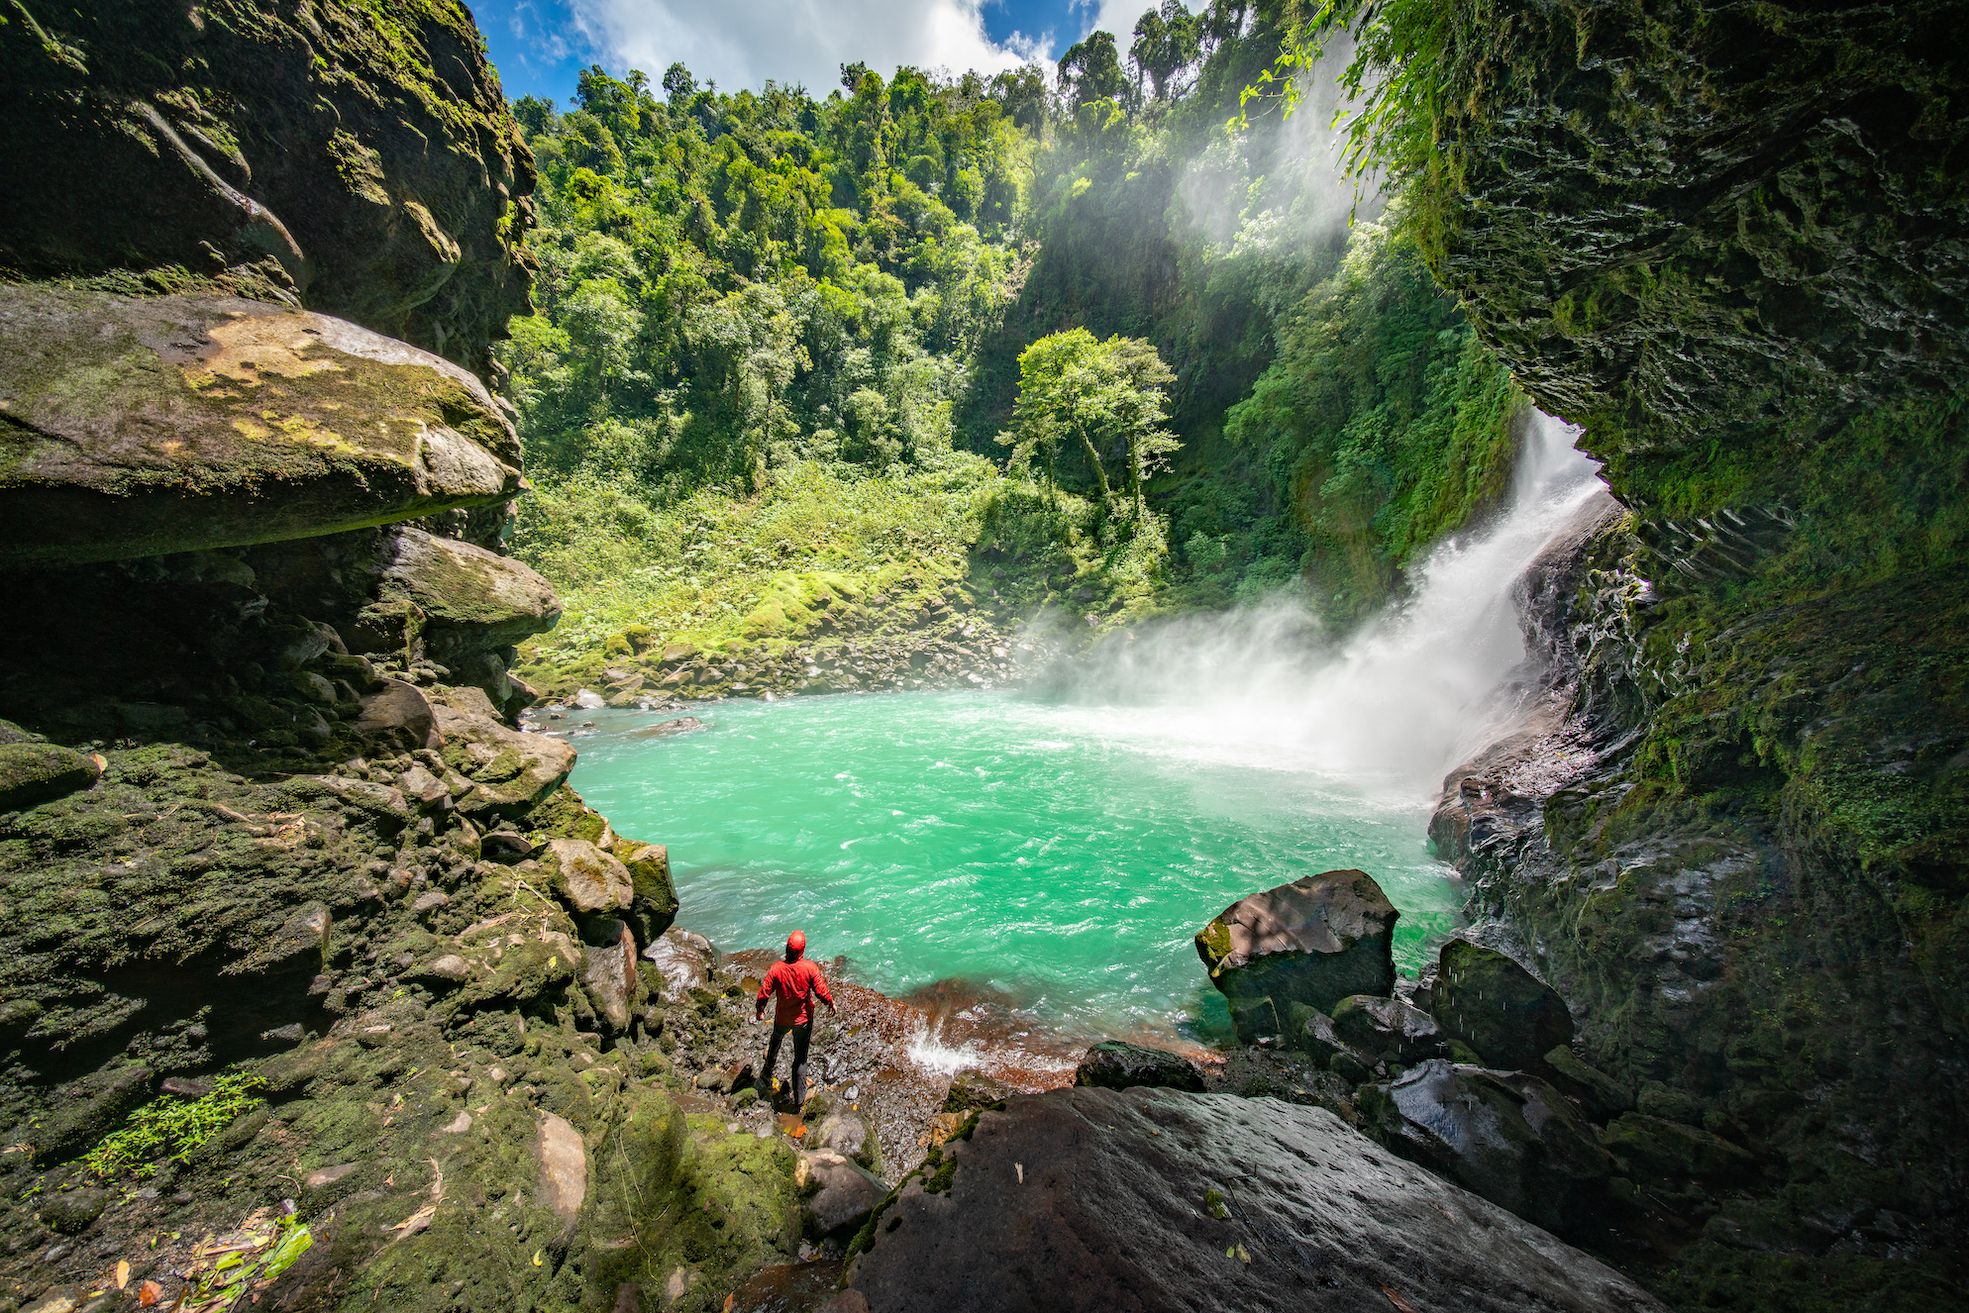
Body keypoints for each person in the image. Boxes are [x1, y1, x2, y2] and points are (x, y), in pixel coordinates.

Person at [755, 930, 834, 1108]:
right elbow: (821, 990)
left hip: (782, 1018)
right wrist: (830, 1003)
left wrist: (760, 1010)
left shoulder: (777, 969)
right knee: (800, 1059)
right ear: (802, 951)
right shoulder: (809, 968)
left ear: (787, 949)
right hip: (803, 1021)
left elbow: (764, 992)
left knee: (775, 1041)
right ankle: (799, 1098)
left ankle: (766, 1075)